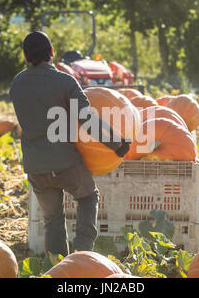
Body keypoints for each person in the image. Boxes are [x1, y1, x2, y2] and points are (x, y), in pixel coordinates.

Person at [9, 31, 130, 257]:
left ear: (25, 57)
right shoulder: (66, 82)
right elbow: (88, 121)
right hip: (65, 162)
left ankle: (59, 268)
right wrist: (117, 144)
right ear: (53, 53)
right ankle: (82, 255)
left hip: (35, 167)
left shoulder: (16, 83)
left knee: (52, 220)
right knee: (87, 196)